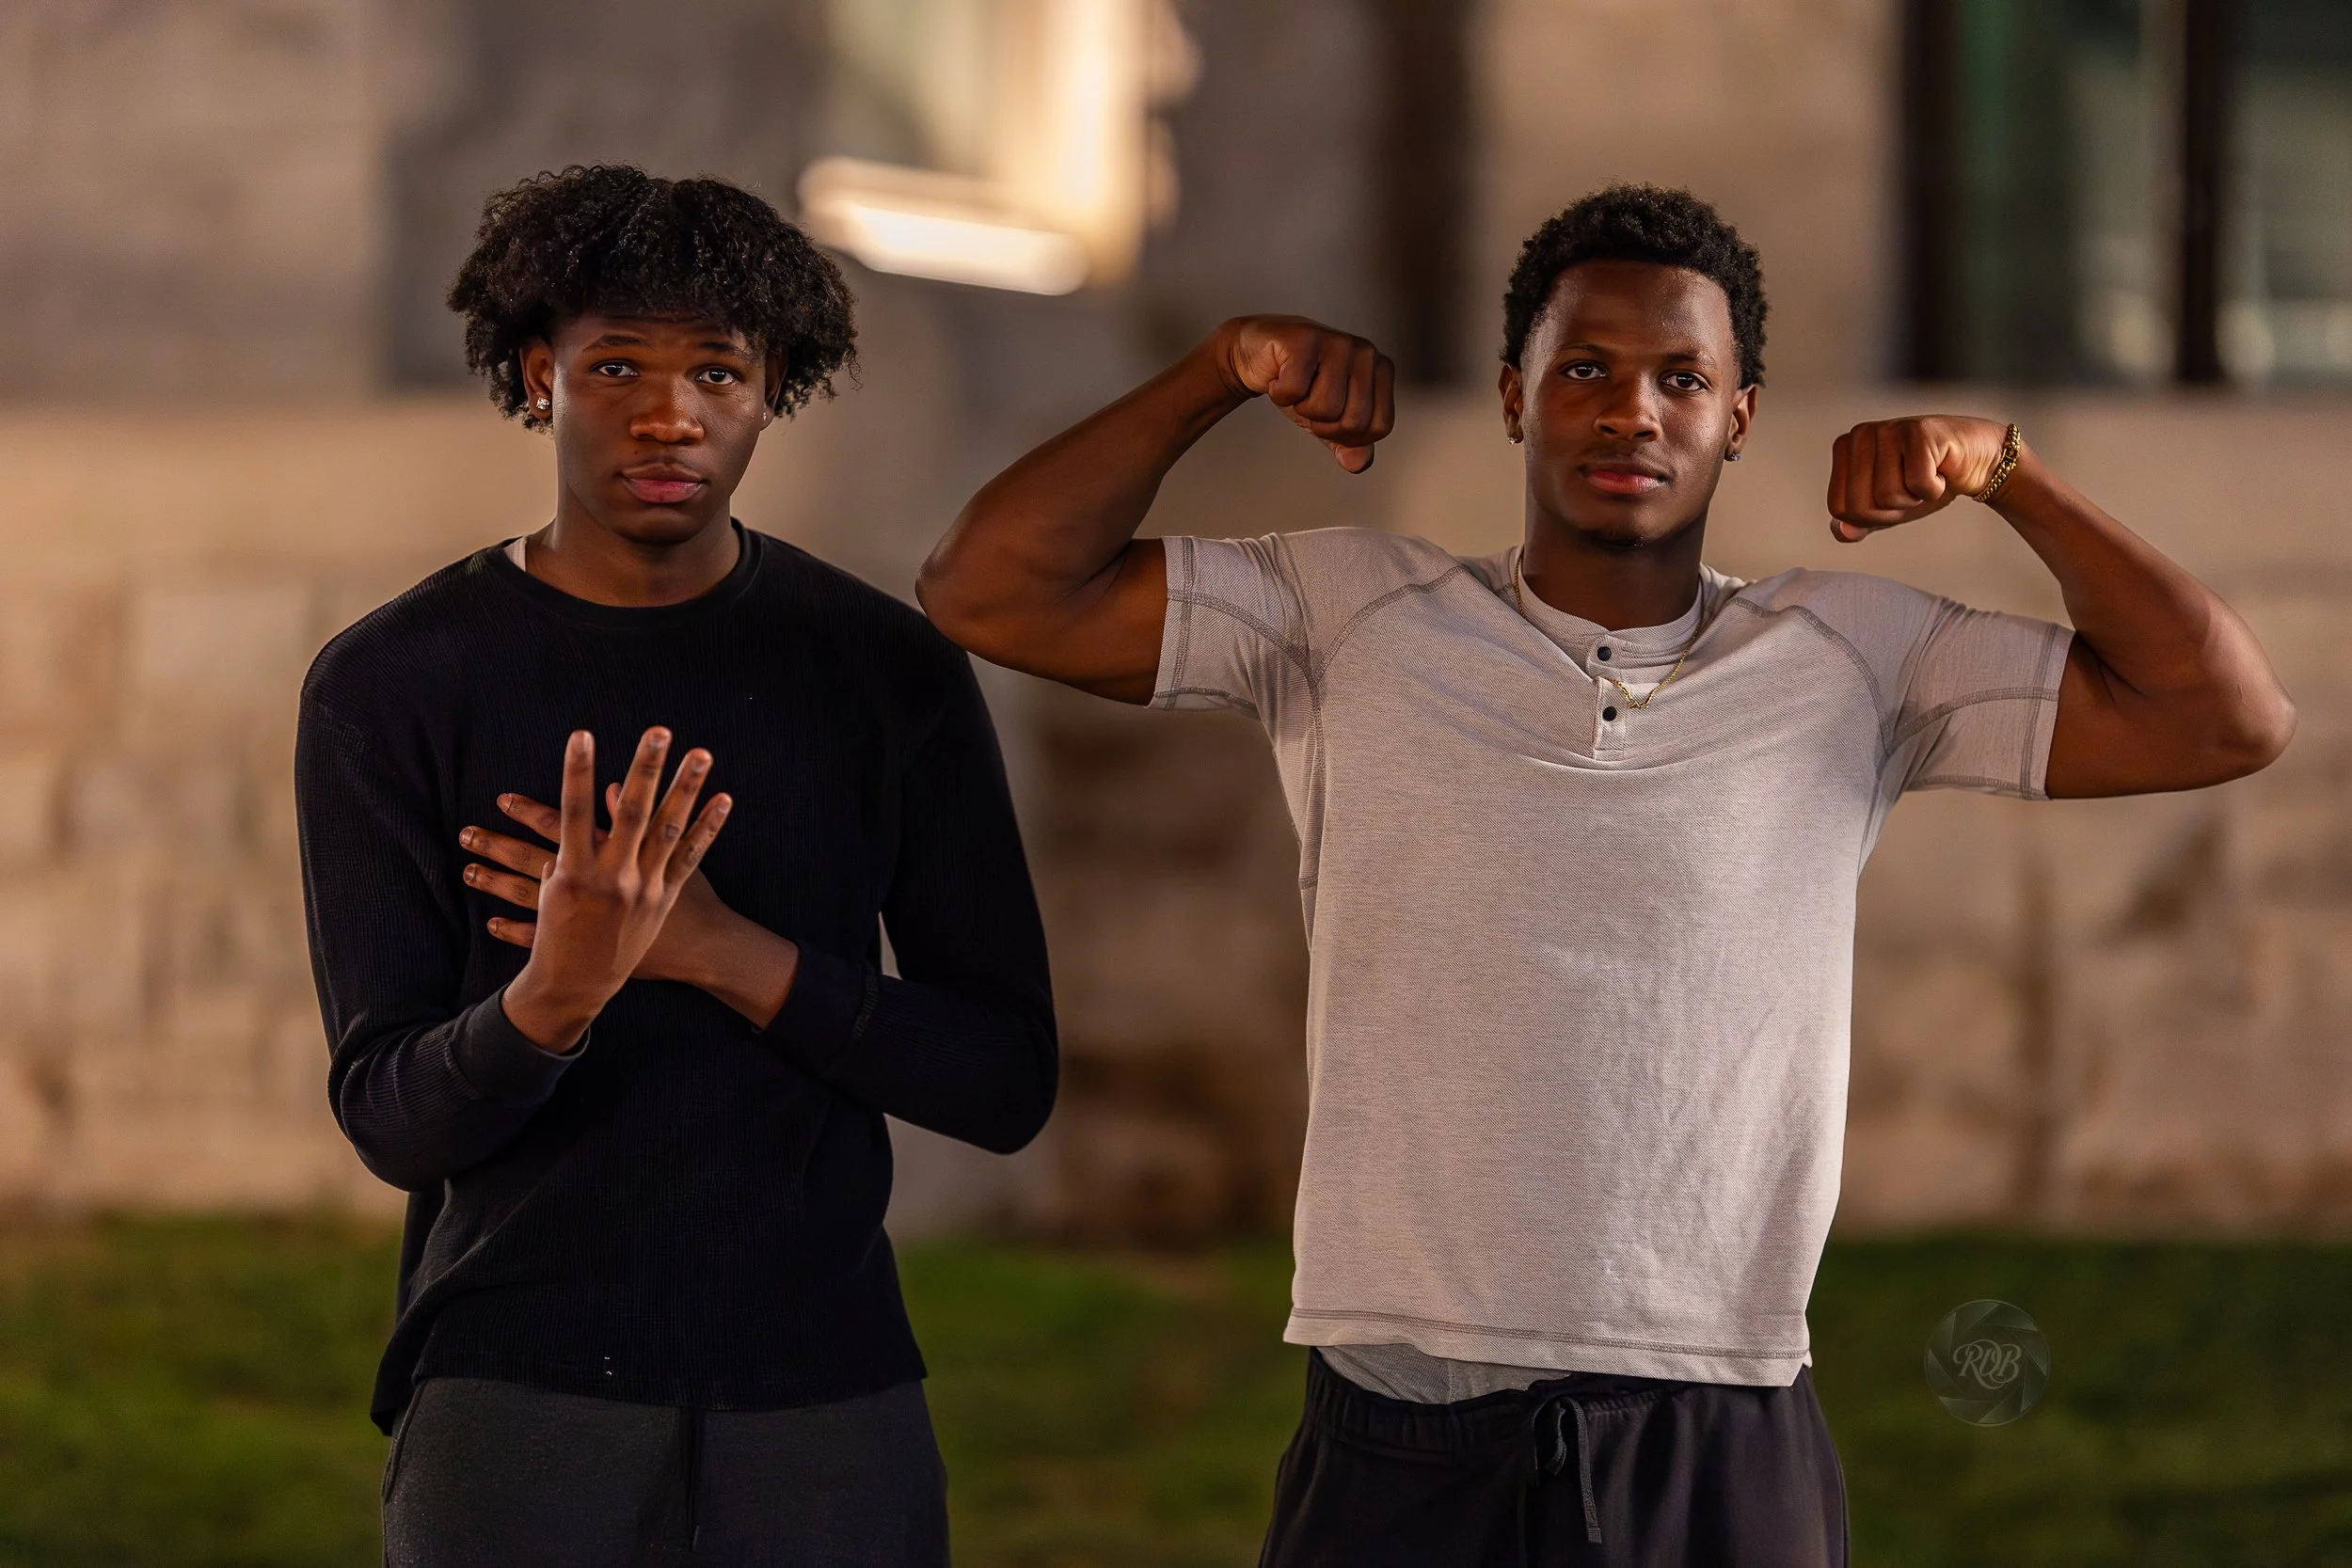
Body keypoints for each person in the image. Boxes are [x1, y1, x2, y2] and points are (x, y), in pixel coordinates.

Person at [915, 185, 2295, 1564]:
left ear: (1736, 418)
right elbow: (989, 588)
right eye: (1584, 369)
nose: (1630, 410)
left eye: (1678, 378)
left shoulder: (1854, 654)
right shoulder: (1348, 619)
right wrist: (1214, 374)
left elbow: (2224, 715)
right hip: (1406, 1407)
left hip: (1720, 1406)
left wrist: (2012, 473)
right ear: (1517, 397)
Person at [296, 165, 1056, 1568]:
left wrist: (724, 954)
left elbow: (1005, 1079)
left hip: (824, 1401)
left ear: (776, 390)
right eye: (618, 366)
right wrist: (554, 997)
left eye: (719, 369)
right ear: (539, 376)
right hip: (517, 1397)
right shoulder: (394, 684)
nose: (670, 413)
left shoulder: (882, 673)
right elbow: (391, 1118)